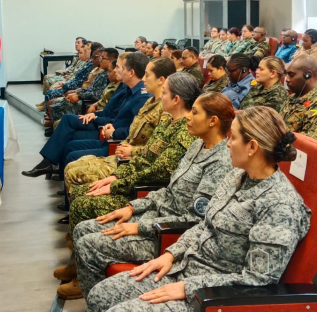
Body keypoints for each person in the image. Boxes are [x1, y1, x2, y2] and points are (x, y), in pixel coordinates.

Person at [85, 106, 311, 312]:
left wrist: (189, 287)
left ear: (252, 146)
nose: (228, 143)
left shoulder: (279, 204)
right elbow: (205, 223)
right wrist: (171, 253)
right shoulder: (237, 176)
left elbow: (258, 281)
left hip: (212, 295)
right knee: (99, 296)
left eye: (233, 137)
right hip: (186, 267)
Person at [61, 93, 236, 299]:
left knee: (88, 244)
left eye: (195, 113)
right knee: (83, 229)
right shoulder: (197, 145)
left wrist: (138, 226)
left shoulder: (220, 162)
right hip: (153, 216)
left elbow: (194, 220)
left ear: (212, 121)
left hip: (167, 234)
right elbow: (168, 190)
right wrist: (132, 208)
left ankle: (96, 295)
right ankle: (91, 286)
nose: (189, 117)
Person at [66, 72, 199, 232]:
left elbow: (158, 173)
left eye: (164, 93)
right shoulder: (166, 120)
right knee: (80, 192)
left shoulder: (185, 131)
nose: (160, 97)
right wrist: (115, 176)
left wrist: (117, 185)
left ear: (176, 99)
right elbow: (142, 158)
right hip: (132, 181)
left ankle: (86, 245)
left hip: (144, 192)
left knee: (82, 203)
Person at [59, 58, 173, 216]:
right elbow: (133, 131)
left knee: (74, 171)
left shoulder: (164, 109)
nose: (144, 79)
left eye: (147, 75)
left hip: (131, 163)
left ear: (161, 80)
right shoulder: (150, 102)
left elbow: (156, 152)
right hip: (122, 155)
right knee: (72, 163)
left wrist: (130, 149)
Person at [22, 52, 151, 179]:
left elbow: (129, 129)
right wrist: (95, 115)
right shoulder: (128, 89)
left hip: (112, 139)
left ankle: (50, 165)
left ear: (131, 72)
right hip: (107, 128)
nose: (117, 71)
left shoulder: (140, 97)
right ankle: (50, 165)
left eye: (119, 67)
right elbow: (112, 113)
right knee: (68, 125)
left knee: (70, 138)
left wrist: (106, 127)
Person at [282, 56, 317, 133]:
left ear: (308, 75)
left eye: (291, 75)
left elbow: (306, 140)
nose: (287, 79)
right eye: (287, 75)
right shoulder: (292, 97)